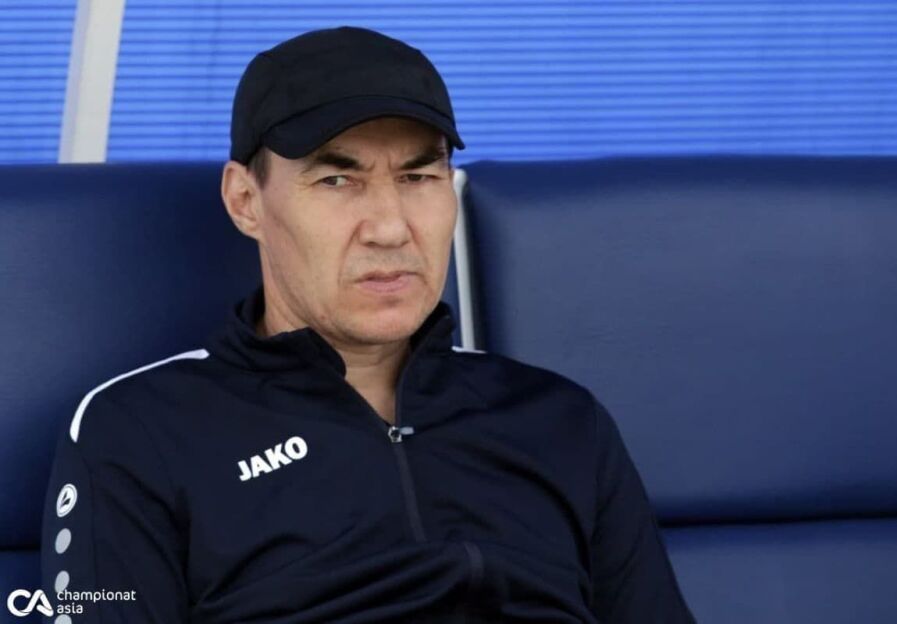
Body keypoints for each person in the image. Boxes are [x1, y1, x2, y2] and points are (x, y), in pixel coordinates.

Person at [40, 26, 695, 623]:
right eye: (335, 179)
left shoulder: (560, 420)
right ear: (245, 201)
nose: (389, 228)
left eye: (419, 175)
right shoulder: (140, 431)